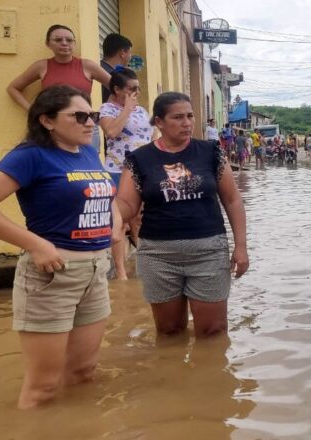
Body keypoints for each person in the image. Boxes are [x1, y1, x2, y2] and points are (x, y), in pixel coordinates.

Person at [0, 86, 121, 409]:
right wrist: (35, 244)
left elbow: (103, 191)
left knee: (84, 373)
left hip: (95, 271)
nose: (89, 123)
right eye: (79, 116)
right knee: (43, 388)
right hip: (52, 275)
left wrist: (114, 220)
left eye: (93, 116)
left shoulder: (86, 151)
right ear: (47, 120)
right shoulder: (30, 156)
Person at [116, 92, 249, 338]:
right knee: (169, 331)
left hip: (208, 252)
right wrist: (110, 214)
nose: (187, 123)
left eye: (190, 116)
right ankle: (171, 375)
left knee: (213, 331)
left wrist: (241, 246)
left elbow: (232, 200)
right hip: (158, 256)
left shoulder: (211, 152)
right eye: (178, 117)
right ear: (159, 122)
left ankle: (210, 375)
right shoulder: (139, 159)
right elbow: (127, 203)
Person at [99, 67, 152, 280]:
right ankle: (121, 273)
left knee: (139, 219)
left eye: (138, 88)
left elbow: (150, 136)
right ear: (117, 89)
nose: (136, 93)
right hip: (117, 171)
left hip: (142, 171)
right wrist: (127, 110)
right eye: (131, 89)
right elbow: (111, 132)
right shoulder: (107, 110)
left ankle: (146, 262)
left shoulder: (141, 110)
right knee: (118, 222)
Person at [7, 25, 111, 111]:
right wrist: (31, 111)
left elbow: (118, 87)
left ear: (74, 43)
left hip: (84, 123)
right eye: (58, 40)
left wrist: (109, 112)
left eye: (69, 40)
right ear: (48, 44)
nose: (64, 43)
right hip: (52, 127)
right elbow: (13, 88)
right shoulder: (41, 66)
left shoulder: (88, 66)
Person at [100, 33, 133, 103]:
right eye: (130, 53)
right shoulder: (115, 77)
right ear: (122, 53)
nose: (130, 57)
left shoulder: (96, 68)